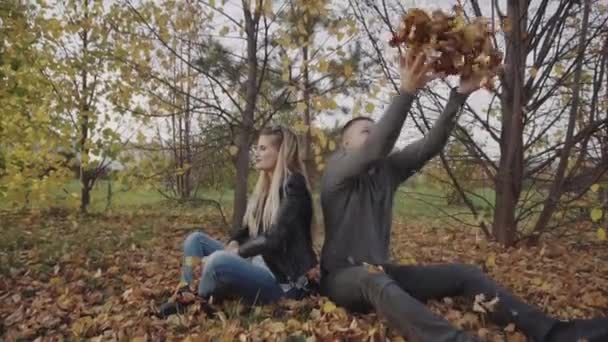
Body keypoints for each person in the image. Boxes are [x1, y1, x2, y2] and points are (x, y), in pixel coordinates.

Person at [318, 48, 608, 342]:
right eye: (367, 130)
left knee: (465, 274)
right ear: (345, 144)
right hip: (343, 277)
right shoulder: (335, 173)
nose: (376, 132)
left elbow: (430, 145)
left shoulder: (388, 172)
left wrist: (460, 95)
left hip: (381, 271)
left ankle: (554, 332)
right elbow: (375, 147)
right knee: (373, 279)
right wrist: (406, 92)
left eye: (376, 128)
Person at [159, 126, 318, 318]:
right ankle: (185, 292)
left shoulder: (294, 185)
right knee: (195, 240)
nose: (256, 154)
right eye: (256, 148)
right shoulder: (266, 187)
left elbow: (274, 238)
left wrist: (239, 252)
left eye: (263, 148)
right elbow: (249, 229)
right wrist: (235, 241)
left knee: (218, 262)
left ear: (281, 152)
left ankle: (195, 301)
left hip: (282, 282)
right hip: (258, 263)